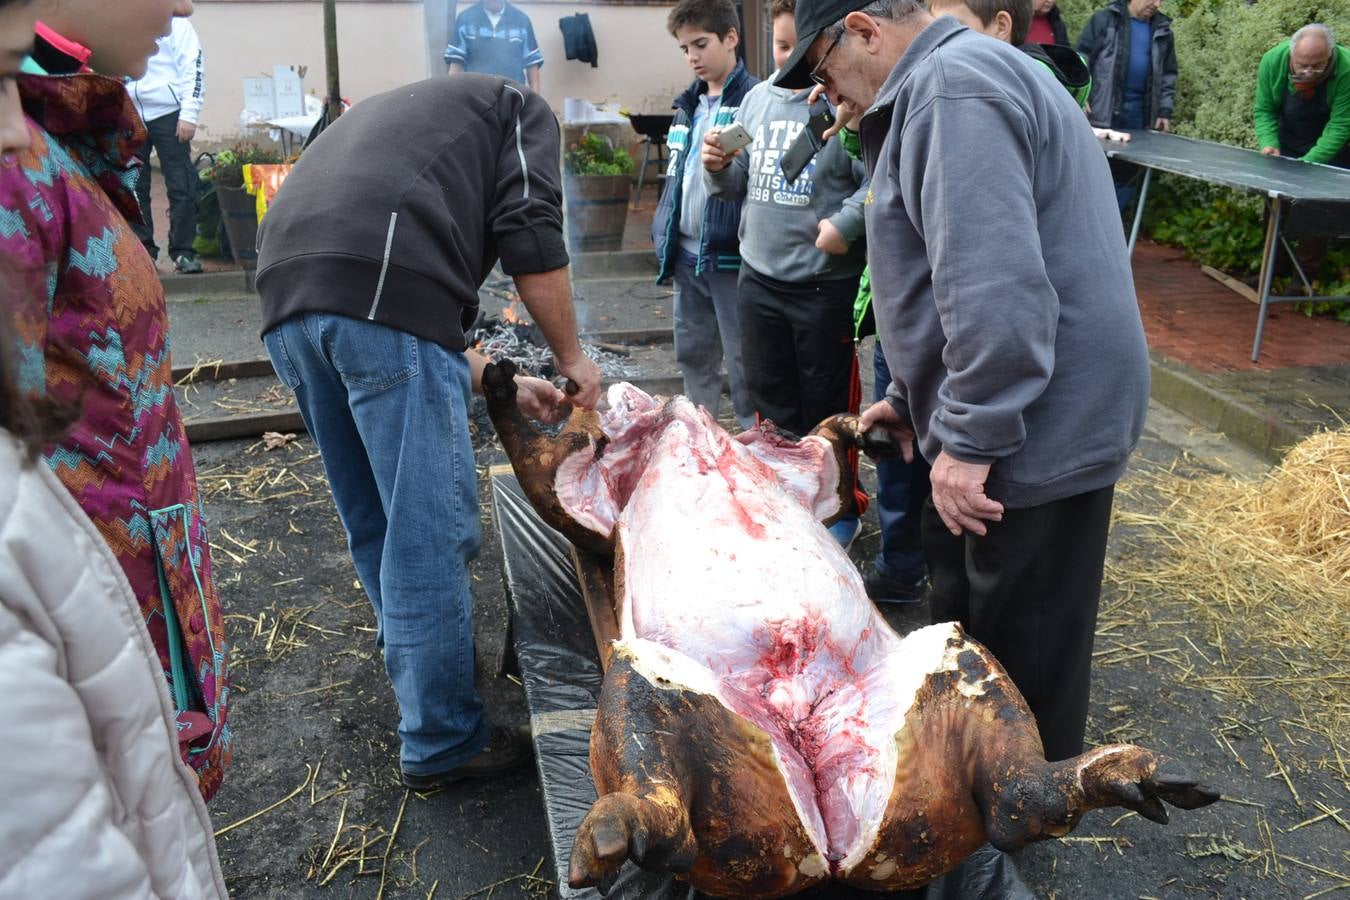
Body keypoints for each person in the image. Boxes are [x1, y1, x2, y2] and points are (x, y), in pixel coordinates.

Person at [777, 0, 1151, 765]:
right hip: (1015, 406)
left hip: (1042, 421)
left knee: (1020, 650)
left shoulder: (954, 90)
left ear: (866, 30)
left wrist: (973, 436)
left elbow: (997, 289)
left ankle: (1016, 823)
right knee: (967, 626)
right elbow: (938, 269)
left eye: (823, 70)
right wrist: (915, 399)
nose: (828, 95)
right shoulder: (936, 87)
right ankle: (971, 803)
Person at [255, 74, 603, 788]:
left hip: (288, 302)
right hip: (377, 298)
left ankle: (421, 671)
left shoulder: (402, 115)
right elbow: (531, 236)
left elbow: (392, 303)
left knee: (376, 517)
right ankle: (443, 737)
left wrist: (500, 376)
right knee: (429, 528)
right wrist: (572, 360)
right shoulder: (518, 109)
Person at [2, 0, 232, 802]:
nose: (182, 5)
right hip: (89, 615)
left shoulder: (58, 131)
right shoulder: (14, 160)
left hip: (131, 581)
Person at [700, 0, 868, 546]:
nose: (792, 60)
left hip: (824, 287)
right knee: (768, 399)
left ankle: (838, 511)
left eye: (804, 47)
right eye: (780, 46)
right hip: (759, 280)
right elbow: (735, 184)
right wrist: (715, 170)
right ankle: (778, 502)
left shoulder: (850, 104)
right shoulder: (757, 100)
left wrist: (846, 223)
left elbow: (883, 178)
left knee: (826, 409)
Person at [654, 0, 759, 430]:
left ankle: (757, 443)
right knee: (694, 353)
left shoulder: (754, 100)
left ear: (731, 37)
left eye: (701, 44)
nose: (693, 57)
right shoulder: (687, 107)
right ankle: (701, 439)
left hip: (730, 254)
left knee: (743, 357)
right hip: (685, 255)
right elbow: (675, 181)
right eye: (684, 49)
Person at [127, 16, 205, 274]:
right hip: (129, 112)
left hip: (170, 113)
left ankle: (183, 251)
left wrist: (189, 115)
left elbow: (192, 66)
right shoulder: (122, 16)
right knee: (134, 185)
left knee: (181, 183)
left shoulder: (176, 22)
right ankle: (144, 250)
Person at [1255, 24, 1349, 167]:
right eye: (1303, 65)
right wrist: (1269, 142)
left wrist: (1307, 164)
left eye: (1317, 66)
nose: (1309, 73)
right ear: (1292, 54)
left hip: (1332, 151)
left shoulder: (1346, 69)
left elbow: (1341, 124)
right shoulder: (1272, 61)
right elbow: (1265, 110)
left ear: (1329, 54)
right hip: (1285, 146)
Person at [445, 0, 543, 91]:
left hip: (512, 95)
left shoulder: (521, 20)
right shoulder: (465, 19)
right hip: (475, 95)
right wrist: (450, 97)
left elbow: (532, 65)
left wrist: (536, 106)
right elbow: (456, 63)